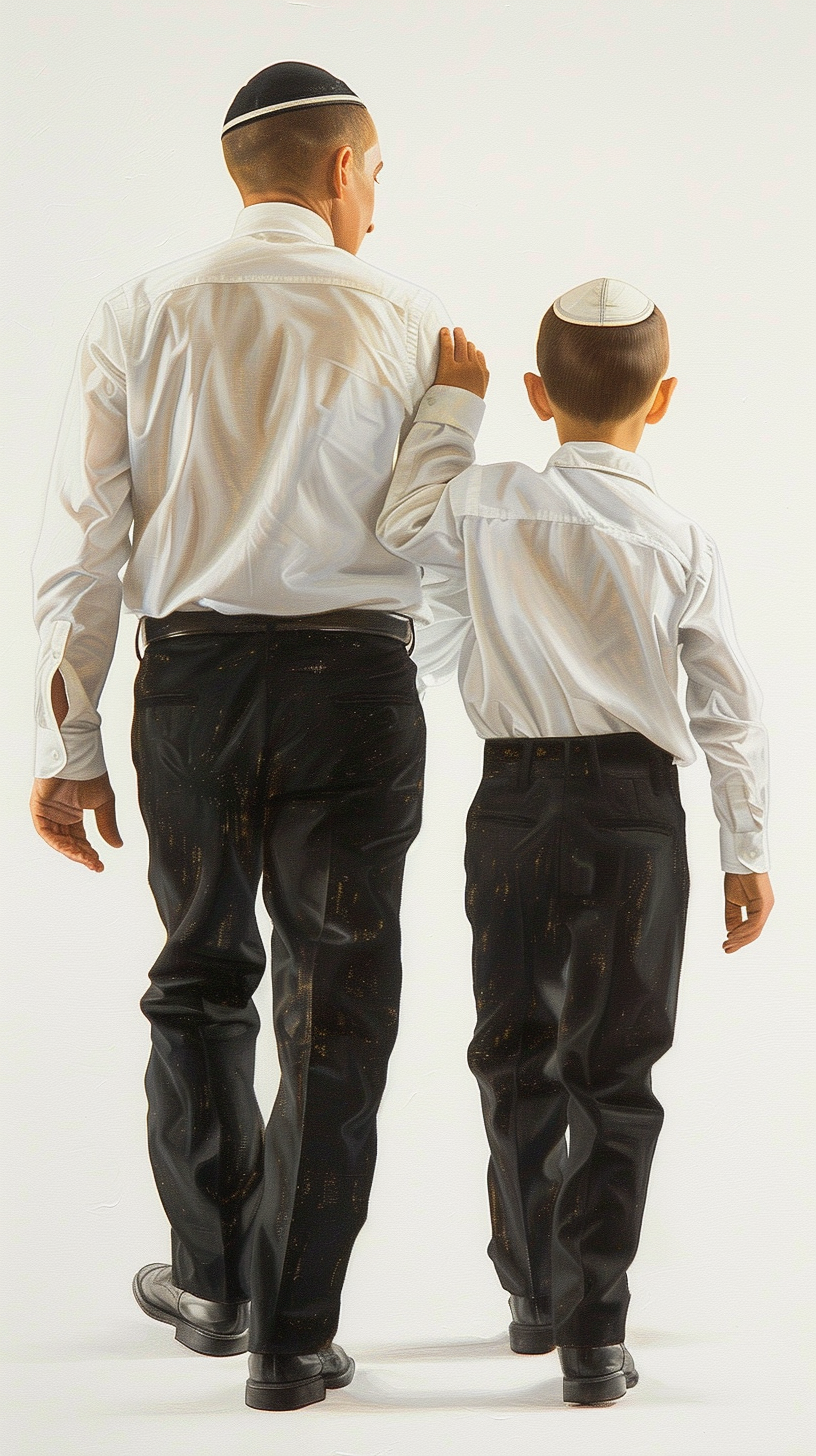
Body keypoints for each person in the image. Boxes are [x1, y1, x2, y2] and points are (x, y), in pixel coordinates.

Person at [30, 61, 460, 1413]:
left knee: (199, 974)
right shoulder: (408, 318)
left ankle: (209, 1279)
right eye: (377, 175)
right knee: (337, 1007)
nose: (380, 202)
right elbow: (426, 539)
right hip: (353, 686)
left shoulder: (138, 307)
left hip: (193, 690)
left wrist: (70, 741)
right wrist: (454, 412)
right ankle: (293, 1332)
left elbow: (81, 544)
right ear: (342, 169)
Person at [377, 282, 774, 1405]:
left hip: (510, 807)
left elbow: (401, 526)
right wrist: (746, 850)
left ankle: (532, 1291)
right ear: (667, 398)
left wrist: (454, 412)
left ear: (538, 394)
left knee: (512, 1048)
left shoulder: (486, 500)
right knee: (618, 1070)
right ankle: (594, 1332)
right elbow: (724, 710)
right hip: (637, 818)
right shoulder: (684, 538)